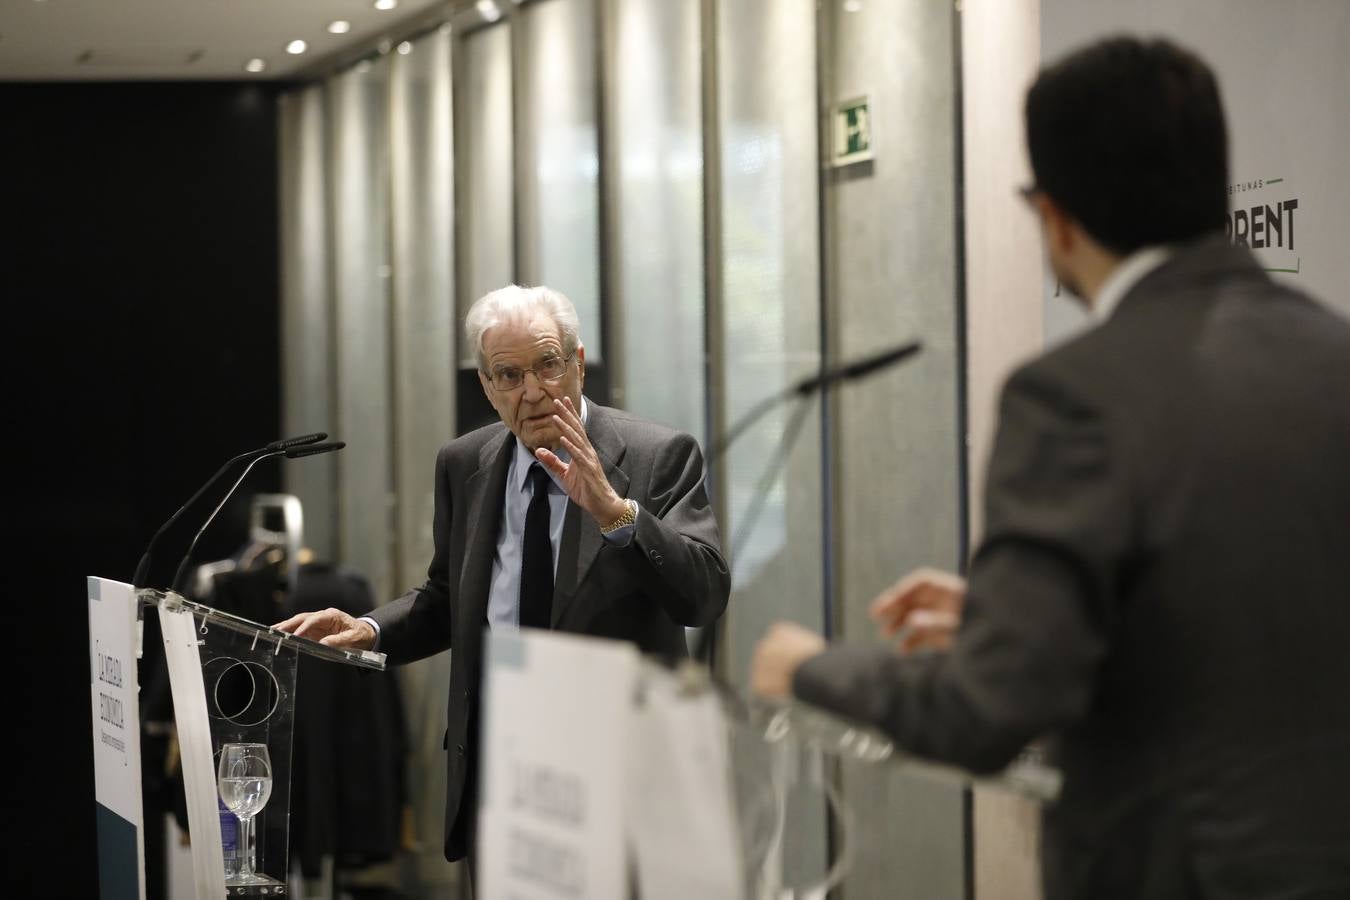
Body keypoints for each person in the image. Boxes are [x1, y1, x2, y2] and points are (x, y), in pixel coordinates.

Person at [751, 35, 1350, 900]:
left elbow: (985, 713)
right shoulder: (1334, 357)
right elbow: (1254, 610)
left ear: (1055, 218)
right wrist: (1024, 616)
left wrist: (808, 668)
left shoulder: (1072, 396)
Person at [277, 284, 730, 871]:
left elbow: (704, 594)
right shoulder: (465, 463)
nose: (534, 392)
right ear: (488, 387)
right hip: (501, 768)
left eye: (547, 366)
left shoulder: (657, 455)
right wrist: (370, 628)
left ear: (578, 363)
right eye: (509, 375)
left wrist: (615, 513)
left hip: (617, 773)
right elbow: (450, 598)